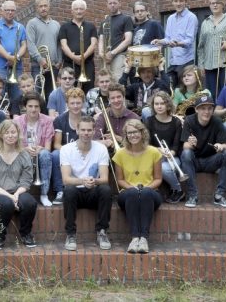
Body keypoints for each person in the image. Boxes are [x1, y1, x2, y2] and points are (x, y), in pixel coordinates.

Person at [0, 119, 38, 250]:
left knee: (30, 202)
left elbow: (26, 180)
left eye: (13, 132)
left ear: (18, 134)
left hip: (18, 191)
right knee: (6, 203)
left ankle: (26, 234)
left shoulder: (24, 154)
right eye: (6, 132)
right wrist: (10, 197)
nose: (10, 135)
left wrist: (17, 194)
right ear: (1, 135)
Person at [61, 116, 112, 251]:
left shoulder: (101, 149)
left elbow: (105, 178)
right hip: (75, 193)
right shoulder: (66, 149)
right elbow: (66, 179)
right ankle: (71, 234)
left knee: (106, 190)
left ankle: (102, 232)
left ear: (94, 131)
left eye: (89, 130)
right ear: (77, 130)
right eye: (83, 129)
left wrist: (94, 181)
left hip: (93, 190)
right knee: (69, 190)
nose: (86, 133)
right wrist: (83, 181)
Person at [113, 119, 163, 254]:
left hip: (150, 192)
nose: (132, 135)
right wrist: (133, 189)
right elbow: (120, 180)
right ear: (126, 135)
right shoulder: (120, 153)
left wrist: (146, 188)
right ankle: (135, 238)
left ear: (142, 133)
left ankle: (144, 239)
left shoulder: (154, 152)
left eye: (135, 132)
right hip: (128, 193)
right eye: (129, 133)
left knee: (145, 193)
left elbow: (158, 179)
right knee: (132, 194)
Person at [179, 95, 226, 208]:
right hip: (194, 162)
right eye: (203, 108)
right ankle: (192, 195)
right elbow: (184, 146)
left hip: (211, 161)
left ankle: (219, 195)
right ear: (196, 109)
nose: (206, 112)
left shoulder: (217, 121)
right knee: (186, 153)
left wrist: (221, 146)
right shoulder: (189, 120)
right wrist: (191, 144)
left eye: (209, 108)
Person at [14, 91, 56, 206]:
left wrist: (40, 149)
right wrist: (25, 149)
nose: (33, 109)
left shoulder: (47, 121)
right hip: (23, 153)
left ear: (40, 107)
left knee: (46, 155)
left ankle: (44, 194)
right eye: (30, 106)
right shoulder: (17, 121)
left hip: (40, 154)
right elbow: (14, 146)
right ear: (25, 107)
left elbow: (47, 148)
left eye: (36, 106)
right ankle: (20, 192)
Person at [145, 91, 184, 204]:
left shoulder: (176, 122)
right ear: (153, 106)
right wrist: (158, 150)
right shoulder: (149, 121)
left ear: (168, 105)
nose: (159, 106)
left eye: (162, 103)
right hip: (154, 156)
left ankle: (176, 189)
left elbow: (176, 145)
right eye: (156, 104)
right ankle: (178, 189)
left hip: (172, 157)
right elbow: (146, 144)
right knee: (160, 166)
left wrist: (170, 152)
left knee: (165, 167)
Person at [50, 87, 86, 205]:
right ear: (67, 104)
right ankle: (60, 190)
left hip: (84, 151)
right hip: (65, 152)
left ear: (83, 103)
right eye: (72, 103)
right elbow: (56, 145)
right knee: (55, 155)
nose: (75, 106)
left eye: (78, 103)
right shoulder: (60, 120)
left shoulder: (87, 119)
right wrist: (71, 151)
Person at [157, 0, 198, 87]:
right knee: (170, 89)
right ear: (172, 2)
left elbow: (189, 40)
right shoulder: (170, 18)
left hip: (186, 61)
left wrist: (178, 43)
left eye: (181, 1)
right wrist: (159, 41)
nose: (178, 3)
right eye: (176, 1)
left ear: (186, 1)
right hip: (173, 61)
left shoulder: (191, 17)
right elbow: (168, 39)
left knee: (184, 91)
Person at [0, 0, 27, 102]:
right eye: (7, 10)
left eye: (12, 10)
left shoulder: (20, 27)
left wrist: (16, 58)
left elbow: (24, 45)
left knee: (17, 95)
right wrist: (8, 57)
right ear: (2, 11)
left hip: (17, 67)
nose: (10, 12)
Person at [59, 0, 98, 92]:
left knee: (89, 90)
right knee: (68, 90)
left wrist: (83, 57)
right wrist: (74, 57)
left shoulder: (91, 26)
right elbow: (63, 45)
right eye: (76, 9)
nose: (79, 11)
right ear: (72, 11)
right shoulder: (64, 27)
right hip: (69, 63)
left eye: (81, 9)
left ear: (85, 11)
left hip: (87, 63)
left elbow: (93, 44)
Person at [27, 0, 62, 98]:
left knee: (51, 95)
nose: (43, 8)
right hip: (38, 65)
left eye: (45, 6)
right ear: (37, 8)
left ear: (49, 6)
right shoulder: (32, 23)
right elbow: (30, 44)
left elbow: (59, 45)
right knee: (38, 95)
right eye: (40, 6)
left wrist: (60, 61)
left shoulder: (56, 24)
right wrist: (40, 59)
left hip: (54, 66)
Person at [93, 83, 140, 153]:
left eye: (119, 97)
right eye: (113, 98)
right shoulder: (103, 116)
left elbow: (140, 144)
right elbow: (94, 141)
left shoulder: (134, 117)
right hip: (107, 155)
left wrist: (118, 138)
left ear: (123, 97)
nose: (116, 100)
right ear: (109, 99)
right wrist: (104, 142)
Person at [99, 0, 133, 82]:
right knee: (105, 84)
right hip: (105, 58)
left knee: (117, 84)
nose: (112, 5)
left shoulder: (126, 19)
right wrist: (101, 54)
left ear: (119, 3)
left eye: (115, 3)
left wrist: (113, 53)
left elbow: (128, 40)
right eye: (110, 3)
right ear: (107, 5)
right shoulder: (104, 21)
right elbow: (101, 39)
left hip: (119, 56)